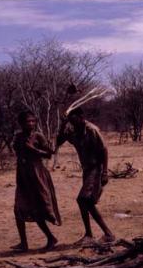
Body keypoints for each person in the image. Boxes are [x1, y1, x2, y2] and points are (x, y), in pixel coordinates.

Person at [56, 107, 115, 245]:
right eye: (69, 119)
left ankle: (107, 234)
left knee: (83, 200)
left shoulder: (91, 130)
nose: (71, 121)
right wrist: (63, 125)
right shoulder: (74, 131)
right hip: (87, 170)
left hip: (96, 169)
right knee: (85, 202)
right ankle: (92, 234)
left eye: (73, 118)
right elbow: (59, 142)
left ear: (81, 116)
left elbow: (104, 149)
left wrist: (105, 172)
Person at [11, 110, 61, 252]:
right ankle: (23, 243)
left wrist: (35, 149)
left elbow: (50, 153)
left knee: (37, 209)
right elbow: (18, 153)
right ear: (21, 123)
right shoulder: (18, 137)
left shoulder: (38, 136)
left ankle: (50, 238)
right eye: (28, 121)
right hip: (23, 176)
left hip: (37, 175)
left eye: (33, 121)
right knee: (18, 209)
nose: (31, 124)